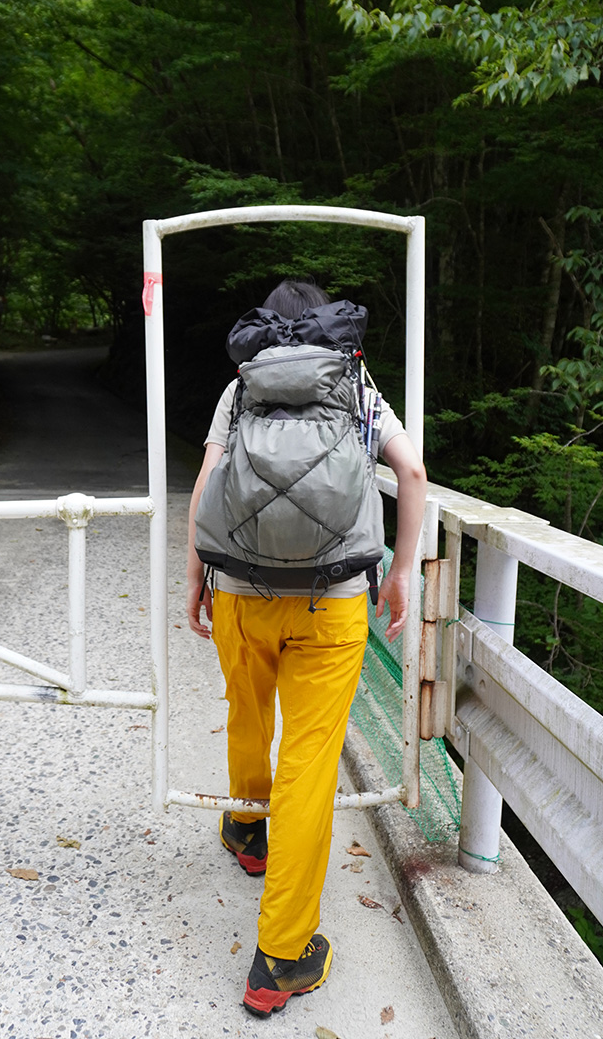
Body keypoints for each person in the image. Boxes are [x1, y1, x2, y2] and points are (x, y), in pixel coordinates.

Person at [186, 278, 427, 1018]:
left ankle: (248, 831)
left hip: (240, 592)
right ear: (331, 329)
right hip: (333, 603)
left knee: (247, 711)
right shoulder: (356, 385)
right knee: (311, 766)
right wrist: (402, 573)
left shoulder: (242, 389)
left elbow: (206, 486)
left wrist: (191, 580)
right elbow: (412, 474)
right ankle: (283, 957)